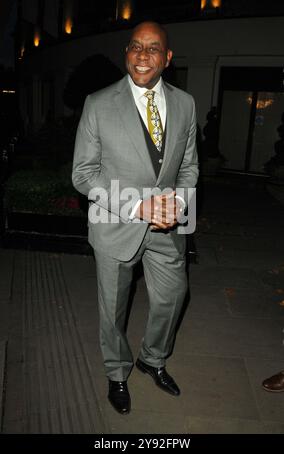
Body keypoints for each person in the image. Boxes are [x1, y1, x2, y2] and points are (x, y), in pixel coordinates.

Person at [72, 21, 199, 414]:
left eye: (153, 48)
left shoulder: (185, 104)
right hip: (116, 224)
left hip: (167, 228)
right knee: (113, 311)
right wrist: (134, 206)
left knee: (174, 296)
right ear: (126, 53)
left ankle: (152, 358)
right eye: (135, 46)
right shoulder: (98, 103)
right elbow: (82, 174)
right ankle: (117, 373)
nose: (143, 54)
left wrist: (176, 204)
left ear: (167, 58)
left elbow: (189, 166)